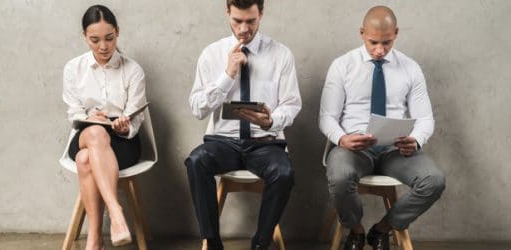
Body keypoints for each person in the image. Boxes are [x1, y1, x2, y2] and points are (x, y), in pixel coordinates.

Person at [319, 6, 446, 250]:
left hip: (395, 150)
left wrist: (416, 140)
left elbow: (425, 118)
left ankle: (382, 230)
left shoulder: (410, 68)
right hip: (353, 149)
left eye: (386, 42)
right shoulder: (342, 66)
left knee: (434, 180)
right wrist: (342, 138)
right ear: (361, 33)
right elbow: (326, 117)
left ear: (396, 33)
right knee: (340, 176)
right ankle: (355, 231)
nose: (379, 50)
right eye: (373, 42)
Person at [184, 0, 302, 249]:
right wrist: (227, 76)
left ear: (261, 13)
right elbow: (197, 109)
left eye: (251, 21)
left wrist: (271, 120)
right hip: (223, 143)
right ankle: (213, 242)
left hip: (265, 143)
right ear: (227, 12)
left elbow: (291, 105)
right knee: (196, 161)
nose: (244, 29)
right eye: (237, 21)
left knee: (284, 172)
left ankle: (260, 244)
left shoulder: (281, 55)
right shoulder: (211, 54)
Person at [62, 5, 147, 250]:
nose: (103, 46)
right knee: (95, 133)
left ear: (117, 32)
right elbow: (74, 113)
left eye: (109, 38)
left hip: (123, 141)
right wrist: (90, 117)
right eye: (94, 40)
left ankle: (94, 240)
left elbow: (137, 117)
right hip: (85, 133)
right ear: (84, 37)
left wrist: (123, 125)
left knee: (85, 160)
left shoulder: (133, 70)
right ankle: (116, 213)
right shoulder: (73, 69)